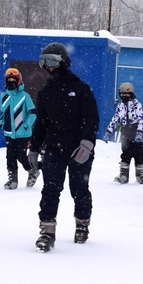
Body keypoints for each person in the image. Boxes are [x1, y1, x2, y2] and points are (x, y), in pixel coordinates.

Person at [27, 42, 99, 253]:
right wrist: (34, 148)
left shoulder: (81, 88)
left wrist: (86, 143)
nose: (48, 67)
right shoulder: (45, 93)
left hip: (79, 149)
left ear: (63, 62)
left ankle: (82, 224)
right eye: (44, 62)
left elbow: (91, 118)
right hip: (54, 149)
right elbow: (41, 124)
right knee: (50, 188)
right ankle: (47, 231)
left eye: (52, 62)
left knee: (79, 188)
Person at [0, 68, 39, 189]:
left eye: (14, 80)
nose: (11, 82)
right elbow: (2, 112)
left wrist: (26, 125)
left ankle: (33, 172)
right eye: (9, 80)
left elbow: (33, 113)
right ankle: (13, 180)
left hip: (23, 133)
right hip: (9, 132)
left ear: (19, 81)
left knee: (21, 156)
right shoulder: (3, 96)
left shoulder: (25, 96)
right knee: (10, 156)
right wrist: (1, 122)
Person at [103, 82, 143, 185]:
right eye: (122, 94)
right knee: (125, 154)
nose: (124, 96)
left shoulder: (137, 105)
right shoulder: (120, 106)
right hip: (126, 133)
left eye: (126, 94)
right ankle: (124, 175)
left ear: (131, 94)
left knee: (139, 154)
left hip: (136, 132)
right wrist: (109, 131)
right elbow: (115, 119)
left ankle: (139, 175)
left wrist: (140, 133)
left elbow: (142, 119)